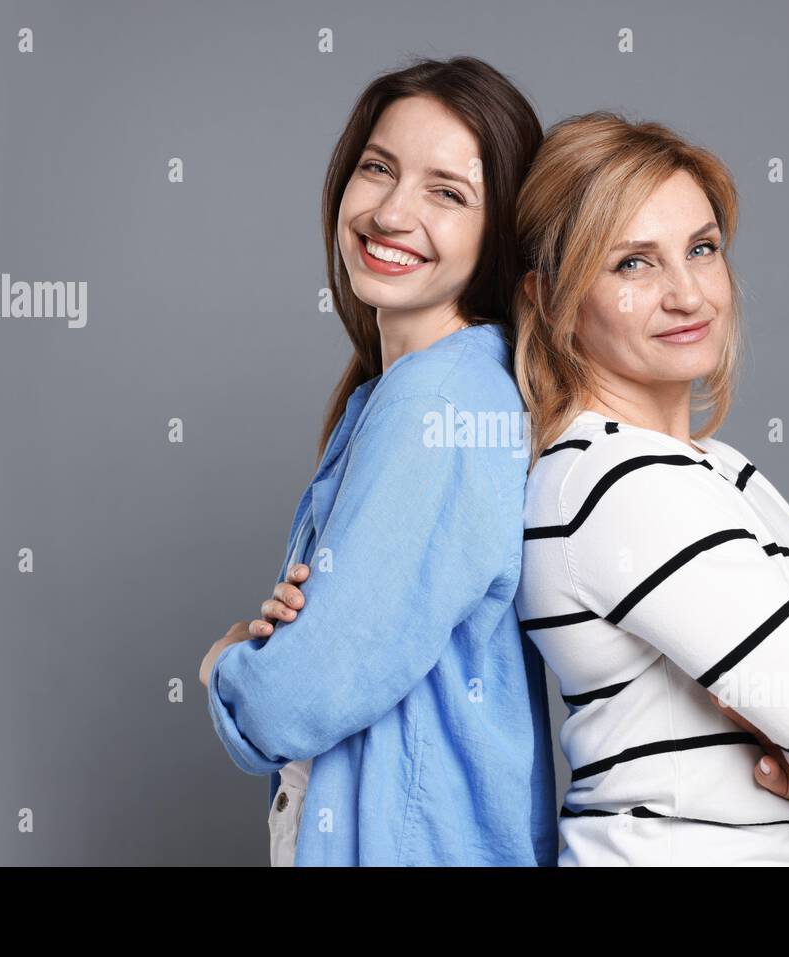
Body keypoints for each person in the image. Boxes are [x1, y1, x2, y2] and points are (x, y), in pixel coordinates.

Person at [512, 112, 789, 865]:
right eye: (632, 265)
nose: (688, 294)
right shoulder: (623, 483)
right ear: (552, 300)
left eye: (701, 249)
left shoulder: (712, 466)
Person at [198, 57, 557, 866]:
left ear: (499, 232)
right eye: (378, 167)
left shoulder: (439, 405)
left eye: (447, 192)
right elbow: (358, 643)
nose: (392, 211)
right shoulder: (414, 394)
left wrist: (228, 665)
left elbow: (301, 695)